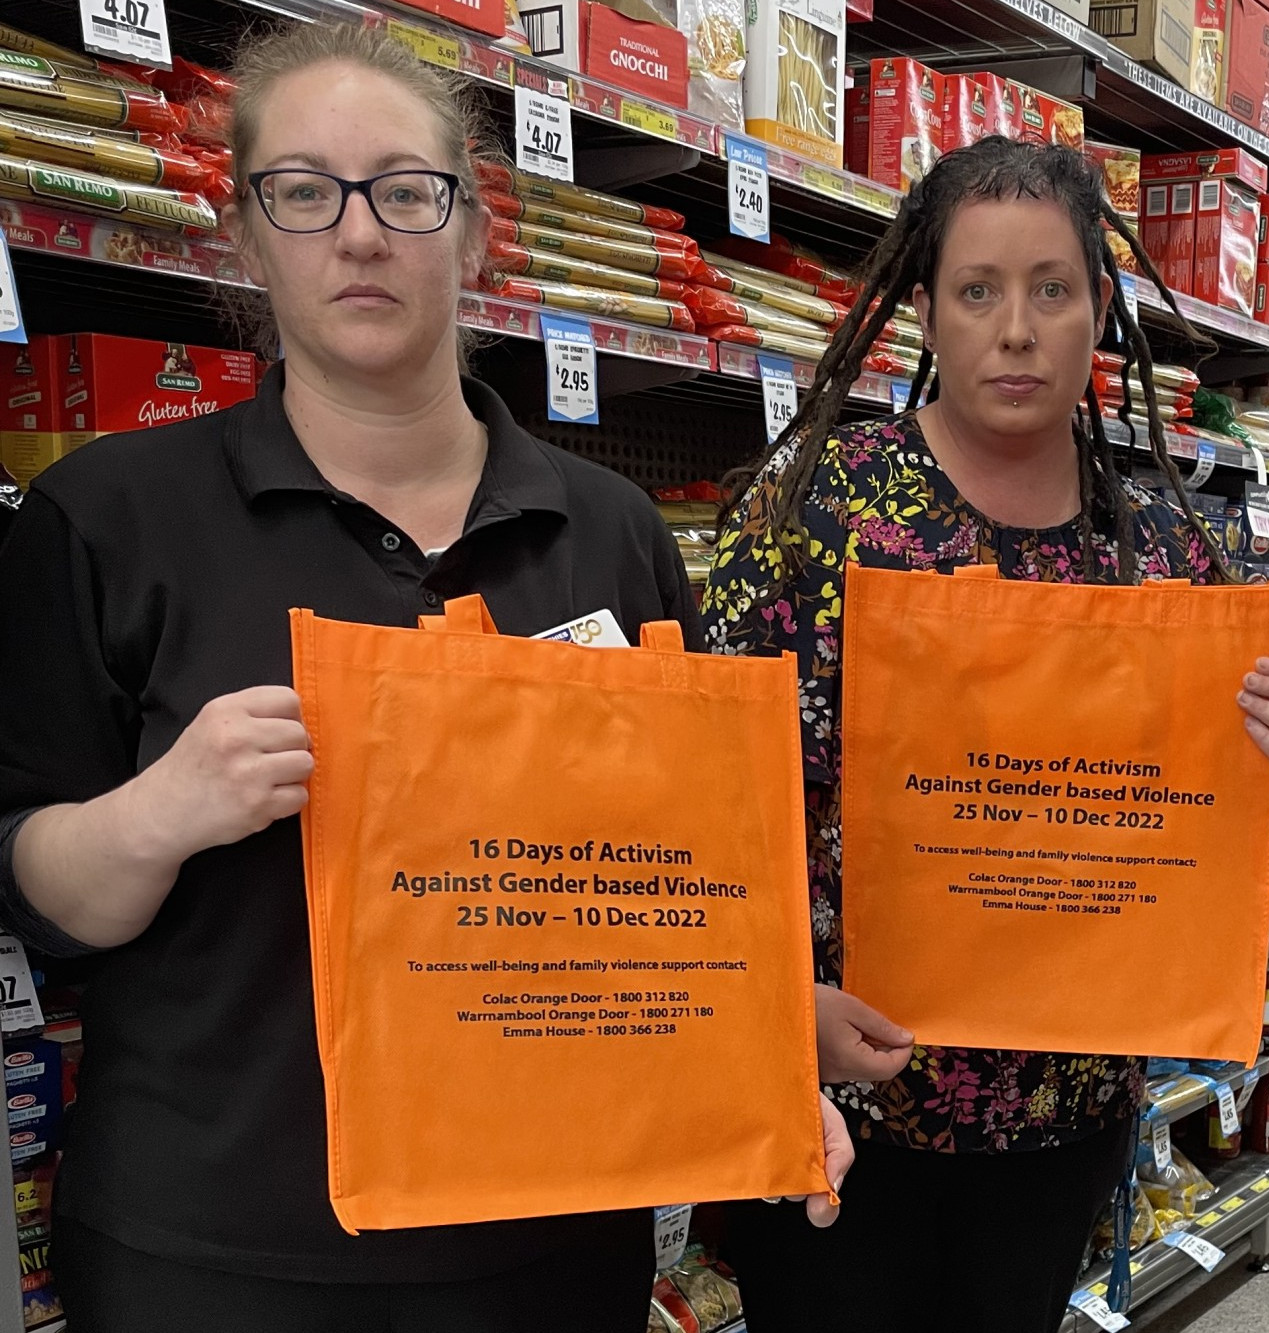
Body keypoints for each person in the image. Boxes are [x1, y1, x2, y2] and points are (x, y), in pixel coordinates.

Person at [0, 23, 847, 1330]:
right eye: (305, 191)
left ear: (472, 231)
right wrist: (160, 811)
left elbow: (688, 881)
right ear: (246, 233)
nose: (359, 234)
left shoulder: (609, 532)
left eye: (406, 190)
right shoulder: (112, 517)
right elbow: (41, 889)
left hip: (550, 1239)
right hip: (220, 1255)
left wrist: (764, 1080)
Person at [701, 136, 1269, 1332]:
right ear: (924, 311)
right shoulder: (818, 516)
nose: (1016, 327)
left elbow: (1200, 818)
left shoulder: (1164, 554)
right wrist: (783, 1008)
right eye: (977, 289)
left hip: (1066, 1115)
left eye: (1052, 289)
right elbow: (711, 797)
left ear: (1100, 309)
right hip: (847, 1099)